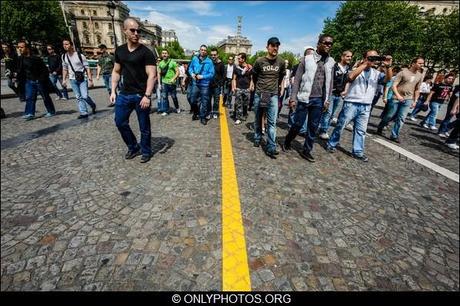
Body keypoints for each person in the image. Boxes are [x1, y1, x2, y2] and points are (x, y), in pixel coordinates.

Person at [326, 50, 393, 162]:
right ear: (365, 58)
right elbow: (350, 77)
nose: (373, 60)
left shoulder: (376, 73)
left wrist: (388, 67)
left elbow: (388, 79)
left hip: (366, 105)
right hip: (351, 103)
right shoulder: (356, 69)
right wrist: (365, 64)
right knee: (341, 125)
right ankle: (332, 143)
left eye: (375, 58)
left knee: (361, 130)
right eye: (371, 57)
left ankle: (357, 151)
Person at [281, 34, 335, 162]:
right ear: (319, 44)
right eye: (326, 43)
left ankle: (307, 150)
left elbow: (330, 82)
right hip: (305, 97)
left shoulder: (331, 62)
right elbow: (297, 80)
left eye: (330, 44)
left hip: (319, 100)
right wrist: (293, 98)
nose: (328, 45)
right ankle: (287, 141)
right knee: (298, 124)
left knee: (313, 127)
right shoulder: (306, 59)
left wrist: (327, 99)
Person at [110, 17, 157, 163]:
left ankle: (146, 151)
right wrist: (113, 91)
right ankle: (133, 146)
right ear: (125, 31)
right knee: (120, 122)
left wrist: (147, 96)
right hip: (124, 94)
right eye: (132, 30)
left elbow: (152, 75)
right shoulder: (120, 51)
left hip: (141, 95)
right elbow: (116, 71)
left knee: (144, 126)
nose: (136, 33)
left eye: (138, 30)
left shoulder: (146, 52)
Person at [376, 57, 424, 143]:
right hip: (395, 98)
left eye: (422, 63)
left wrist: (415, 101)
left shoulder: (420, 76)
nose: (421, 65)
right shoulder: (403, 73)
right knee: (389, 116)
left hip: (408, 99)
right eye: (419, 63)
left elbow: (417, 89)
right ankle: (380, 126)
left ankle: (394, 135)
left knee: (401, 118)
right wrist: (398, 96)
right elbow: (394, 85)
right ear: (413, 63)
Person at [252, 37, 286, 158]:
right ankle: (257, 137)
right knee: (258, 117)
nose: (275, 48)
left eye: (277, 45)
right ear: (267, 47)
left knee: (272, 122)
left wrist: (278, 88)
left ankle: (271, 146)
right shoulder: (259, 61)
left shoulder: (281, 62)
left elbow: (281, 76)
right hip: (260, 94)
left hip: (273, 96)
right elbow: (254, 76)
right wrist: (258, 88)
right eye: (272, 45)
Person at [16, 41, 56, 120]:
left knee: (45, 96)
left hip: (38, 81)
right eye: (18, 47)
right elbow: (20, 70)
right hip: (29, 81)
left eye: (21, 47)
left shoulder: (35, 58)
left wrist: (40, 79)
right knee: (30, 97)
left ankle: (51, 111)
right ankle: (30, 113)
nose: (19, 49)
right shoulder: (20, 58)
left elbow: (44, 70)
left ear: (27, 48)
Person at [318, 50, 352, 140]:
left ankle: (322, 126)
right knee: (327, 112)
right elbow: (329, 79)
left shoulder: (348, 68)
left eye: (350, 57)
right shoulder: (335, 66)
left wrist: (346, 90)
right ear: (342, 57)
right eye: (348, 56)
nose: (350, 58)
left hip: (340, 94)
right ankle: (323, 131)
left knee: (332, 114)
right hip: (331, 93)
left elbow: (348, 81)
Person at [62, 38, 97, 119]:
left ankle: (93, 105)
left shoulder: (79, 55)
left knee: (84, 96)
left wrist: (90, 80)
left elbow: (87, 68)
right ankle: (83, 112)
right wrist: (64, 80)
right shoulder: (64, 56)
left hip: (82, 79)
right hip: (72, 79)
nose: (65, 46)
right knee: (78, 97)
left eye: (67, 44)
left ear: (71, 45)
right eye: (64, 44)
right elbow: (65, 68)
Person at [188, 44, 215, 125]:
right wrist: (191, 73)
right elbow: (190, 68)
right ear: (199, 50)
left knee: (205, 101)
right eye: (202, 50)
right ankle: (196, 112)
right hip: (195, 82)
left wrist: (202, 76)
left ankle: (203, 117)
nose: (203, 51)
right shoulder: (194, 58)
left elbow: (212, 74)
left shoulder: (209, 61)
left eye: (205, 50)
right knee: (192, 100)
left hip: (205, 84)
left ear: (206, 52)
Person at [232, 52, 254, 125]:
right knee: (238, 103)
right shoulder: (236, 68)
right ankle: (238, 118)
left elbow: (252, 79)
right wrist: (234, 87)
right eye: (238, 58)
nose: (238, 59)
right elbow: (234, 78)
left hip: (247, 89)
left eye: (239, 58)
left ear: (243, 59)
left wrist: (250, 88)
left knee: (245, 104)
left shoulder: (249, 68)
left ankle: (244, 114)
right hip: (239, 88)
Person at [158, 49, 180, 115]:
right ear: (161, 55)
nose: (164, 54)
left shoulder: (172, 62)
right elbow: (158, 73)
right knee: (164, 97)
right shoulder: (160, 63)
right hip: (164, 82)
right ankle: (166, 110)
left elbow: (177, 72)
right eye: (163, 53)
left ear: (168, 54)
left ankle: (177, 107)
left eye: (165, 53)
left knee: (174, 97)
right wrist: (159, 83)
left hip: (172, 83)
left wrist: (173, 78)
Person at [209, 48, 225, 119]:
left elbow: (223, 75)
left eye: (214, 55)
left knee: (216, 100)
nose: (213, 56)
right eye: (212, 55)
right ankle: (209, 112)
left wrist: (220, 84)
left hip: (217, 86)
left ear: (217, 55)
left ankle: (215, 112)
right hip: (208, 85)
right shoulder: (209, 62)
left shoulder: (221, 64)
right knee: (208, 100)